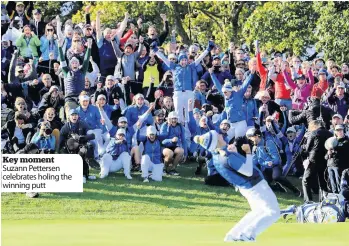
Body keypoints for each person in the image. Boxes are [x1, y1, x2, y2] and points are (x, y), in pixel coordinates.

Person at [194, 130, 280, 242]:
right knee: (273, 212)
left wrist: (235, 152)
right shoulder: (227, 156)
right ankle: (247, 234)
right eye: (218, 136)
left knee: (257, 211)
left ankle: (233, 235)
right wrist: (248, 152)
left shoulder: (218, 156)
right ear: (216, 141)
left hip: (247, 187)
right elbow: (248, 171)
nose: (220, 135)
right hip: (255, 185)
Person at [153, 40, 214, 123]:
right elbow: (164, 59)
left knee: (189, 112)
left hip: (189, 92)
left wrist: (208, 49)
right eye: (182, 60)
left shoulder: (190, 66)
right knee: (178, 113)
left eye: (185, 60)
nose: (184, 61)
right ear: (179, 60)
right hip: (178, 92)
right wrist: (156, 50)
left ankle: (189, 132)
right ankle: (179, 131)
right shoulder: (174, 66)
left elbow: (199, 58)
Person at [210, 65, 255, 141]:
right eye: (223, 92)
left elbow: (245, 84)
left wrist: (252, 74)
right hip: (230, 123)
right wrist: (211, 74)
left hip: (240, 122)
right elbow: (217, 84)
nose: (224, 94)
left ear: (230, 91)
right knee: (225, 140)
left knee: (238, 142)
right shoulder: (224, 95)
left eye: (226, 92)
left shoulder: (239, 93)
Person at [59, 109, 96, 183]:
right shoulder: (65, 127)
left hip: (81, 145)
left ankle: (85, 174)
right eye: (72, 115)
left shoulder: (83, 124)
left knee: (85, 150)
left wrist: (81, 137)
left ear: (78, 116)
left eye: (75, 115)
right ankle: (79, 175)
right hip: (70, 148)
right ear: (69, 117)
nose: (74, 117)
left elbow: (92, 135)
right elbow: (61, 141)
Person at [303, 120, 332, 202]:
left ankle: (308, 201)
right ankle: (323, 201)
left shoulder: (314, 133)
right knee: (322, 181)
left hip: (313, 159)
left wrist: (303, 146)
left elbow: (308, 148)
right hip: (325, 159)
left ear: (315, 125)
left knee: (306, 180)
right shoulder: (330, 134)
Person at [159, 111, 186, 175]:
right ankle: (164, 168)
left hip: (173, 146)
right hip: (164, 146)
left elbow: (183, 140)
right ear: (169, 119)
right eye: (172, 118)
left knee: (181, 151)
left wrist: (186, 153)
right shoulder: (164, 125)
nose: (174, 120)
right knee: (170, 153)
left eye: (175, 118)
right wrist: (171, 140)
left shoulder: (179, 126)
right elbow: (162, 141)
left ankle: (172, 169)